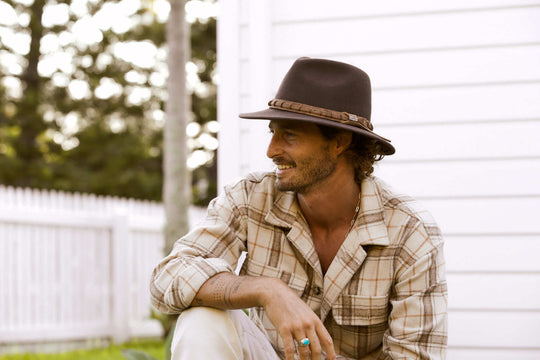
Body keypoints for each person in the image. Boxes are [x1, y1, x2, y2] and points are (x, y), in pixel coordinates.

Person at [150, 57, 448, 360]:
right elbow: (166, 280)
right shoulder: (249, 198)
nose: (271, 150)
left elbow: (414, 356)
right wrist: (267, 290)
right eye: (273, 133)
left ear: (340, 142)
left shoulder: (410, 231)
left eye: (289, 135)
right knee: (202, 320)